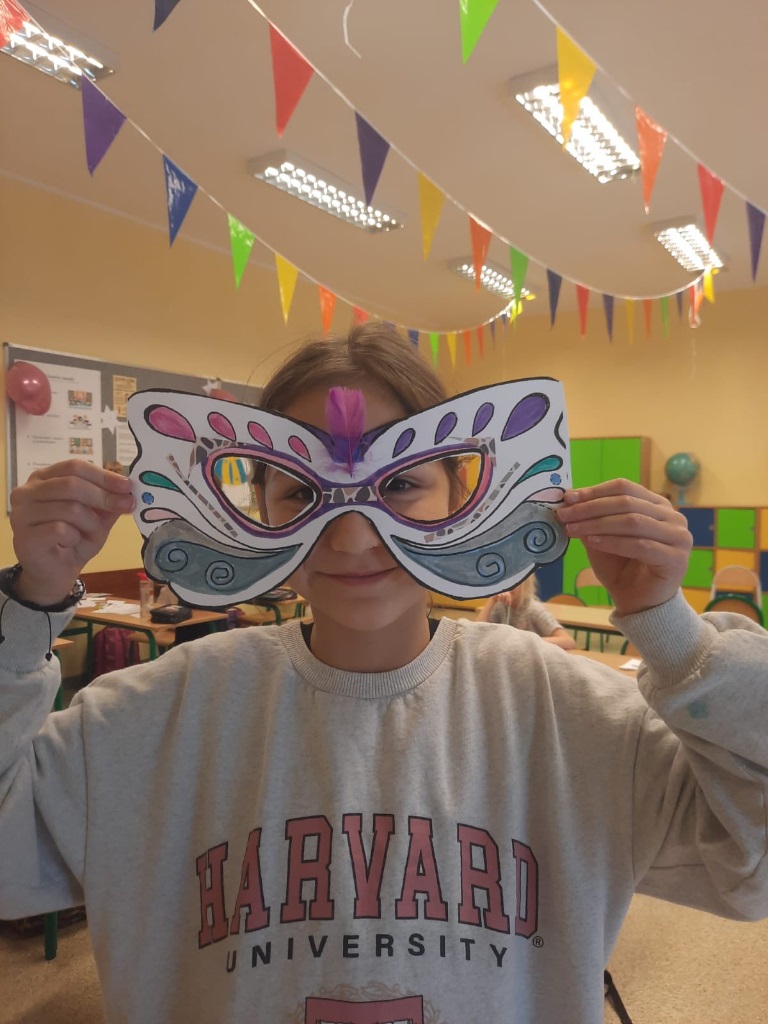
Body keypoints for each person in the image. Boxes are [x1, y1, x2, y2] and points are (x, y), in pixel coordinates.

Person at [1, 322, 767, 1024]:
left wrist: (672, 630)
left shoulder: (569, 716)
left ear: (463, 490)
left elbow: (751, 866)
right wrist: (29, 603)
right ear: (261, 506)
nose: (353, 537)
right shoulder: (157, 717)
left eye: (399, 484)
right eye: (301, 492)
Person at [476, 575, 577, 649]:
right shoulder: (500, 606)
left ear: (525, 583)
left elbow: (568, 641)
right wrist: (492, 599)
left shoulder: (534, 610)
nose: (508, 586)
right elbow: (477, 632)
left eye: (514, 582)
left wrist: (528, 642)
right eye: (504, 581)